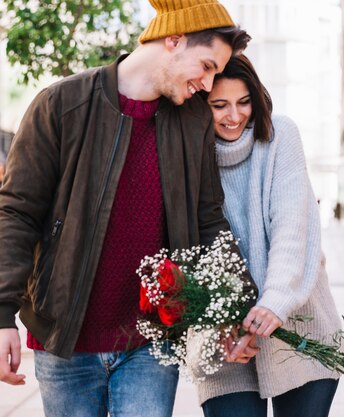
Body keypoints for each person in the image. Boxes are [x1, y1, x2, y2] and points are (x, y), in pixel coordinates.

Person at [0, 1, 257, 416]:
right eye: (206, 66)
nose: (209, 85)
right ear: (173, 40)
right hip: (65, 342)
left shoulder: (191, 121)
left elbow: (209, 218)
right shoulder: (61, 104)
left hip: (150, 344)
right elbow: (17, 213)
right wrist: (1, 316)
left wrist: (234, 308)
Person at [196, 54, 343, 417]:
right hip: (224, 342)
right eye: (219, 105)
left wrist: (274, 301)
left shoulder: (280, 136)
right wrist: (222, 327)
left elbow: (292, 228)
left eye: (244, 102)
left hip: (297, 328)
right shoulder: (186, 155)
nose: (234, 116)